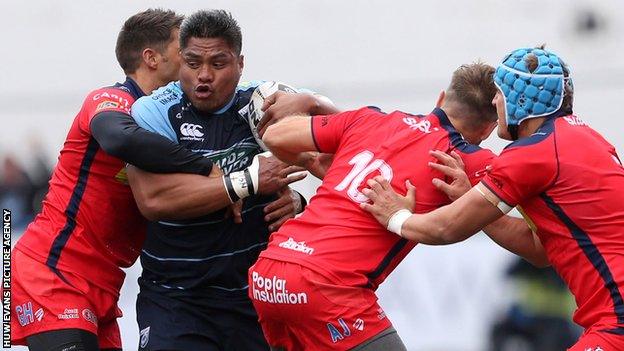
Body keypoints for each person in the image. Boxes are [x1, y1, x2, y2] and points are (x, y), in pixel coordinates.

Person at [7, 9, 288, 351]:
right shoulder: (113, 100)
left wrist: (289, 198)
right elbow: (120, 138)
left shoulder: (171, 119)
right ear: (152, 58)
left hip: (103, 280)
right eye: (183, 53)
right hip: (54, 267)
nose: (193, 62)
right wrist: (206, 168)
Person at [362, 47, 624, 350]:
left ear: (519, 99)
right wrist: (470, 200)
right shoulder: (588, 139)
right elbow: (541, 250)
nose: (495, 101)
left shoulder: (532, 155)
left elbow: (446, 228)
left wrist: (396, 216)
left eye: (499, 93)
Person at [248, 62, 503, 350]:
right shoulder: (467, 160)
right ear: (488, 129)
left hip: (269, 273)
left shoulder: (372, 120)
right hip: (327, 285)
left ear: (441, 99)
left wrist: (314, 116)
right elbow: (517, 236)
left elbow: (274, 136)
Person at [126, 10, 339, 351]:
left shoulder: (262, 102)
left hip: (253, 295)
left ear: (240, 64)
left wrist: (315, 102)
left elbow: (349, 143)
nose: (204, 76)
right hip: (176, 297)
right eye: (193, 63)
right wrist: (247, 182)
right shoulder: (153, 112)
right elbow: (153, 201)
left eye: (218, 63)